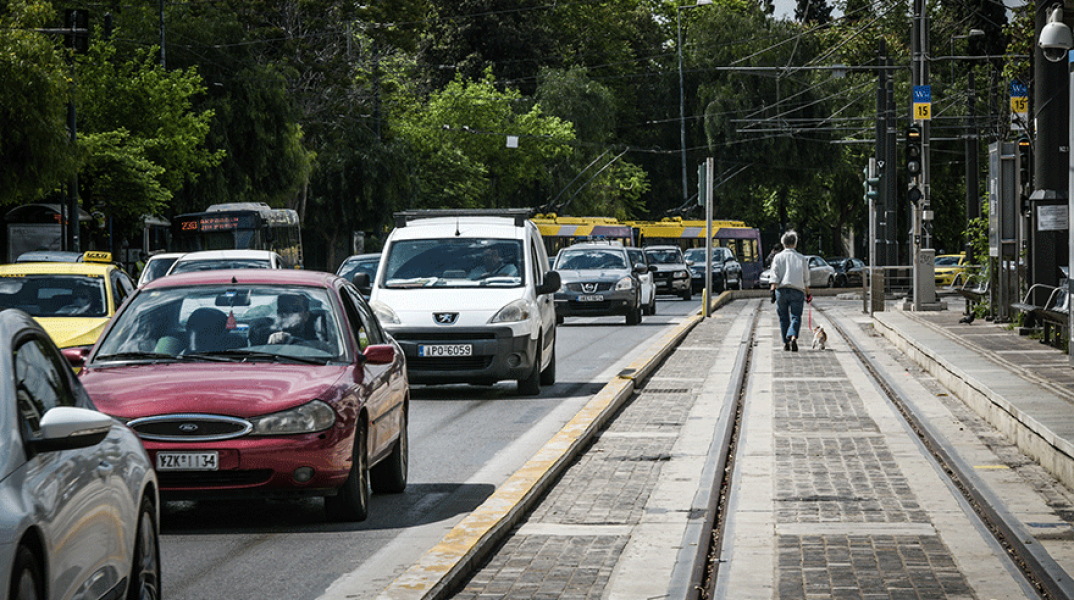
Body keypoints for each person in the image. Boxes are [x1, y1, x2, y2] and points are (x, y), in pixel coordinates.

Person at [769, 230, 810, 352]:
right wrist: (808, 292)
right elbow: (806, 277)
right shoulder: (801, 258)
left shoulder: (778, 257)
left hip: (781, 290)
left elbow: (774, 274)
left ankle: (786, 342)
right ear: (795, 243)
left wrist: (772, 290)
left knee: (783, 317)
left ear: (783, 243)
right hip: (797, 290)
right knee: (796, 316)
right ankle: (793, 337)